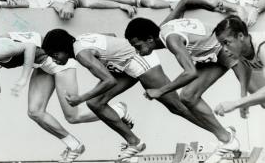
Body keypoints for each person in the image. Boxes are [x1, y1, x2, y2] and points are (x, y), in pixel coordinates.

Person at [0, 31, 133, 162]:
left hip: (58, 61)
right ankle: (74, 146)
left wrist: (23, 78)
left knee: (73, 116)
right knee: (35, 112)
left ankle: (118, 110)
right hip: (42, 66)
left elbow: (29, 47)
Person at [42, 29, 211, 160]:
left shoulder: (81, 54)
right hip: (126, 67)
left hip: (140, 62)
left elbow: (109, 81)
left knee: (177, 107)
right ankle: (134, 143)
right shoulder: (80, 39)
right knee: (95, 103)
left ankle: (222, 133)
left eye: (55, 55)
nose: (55, 61)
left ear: (62, 49)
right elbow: (111, 35)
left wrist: (80, 98)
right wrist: (116, 56)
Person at [124, 15, 247, 163]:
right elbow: (184, 1)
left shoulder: (171, 40)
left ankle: (227, 139)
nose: (138, 52)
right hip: (211, 54)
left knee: (257, 93)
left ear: (150, 39)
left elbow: (191, 72)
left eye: (138, 47)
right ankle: (227, 139)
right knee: (187, 96)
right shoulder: (162, 28)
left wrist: (160, 91)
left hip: (224, 51)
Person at [213, 16, 265, 117]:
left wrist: (236, 104)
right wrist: (243, 98)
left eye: (226, 43)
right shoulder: (241, 49)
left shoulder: (262, 48)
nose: (224, 49)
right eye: (221, 45)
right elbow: (245, 68)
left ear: (240, 36)